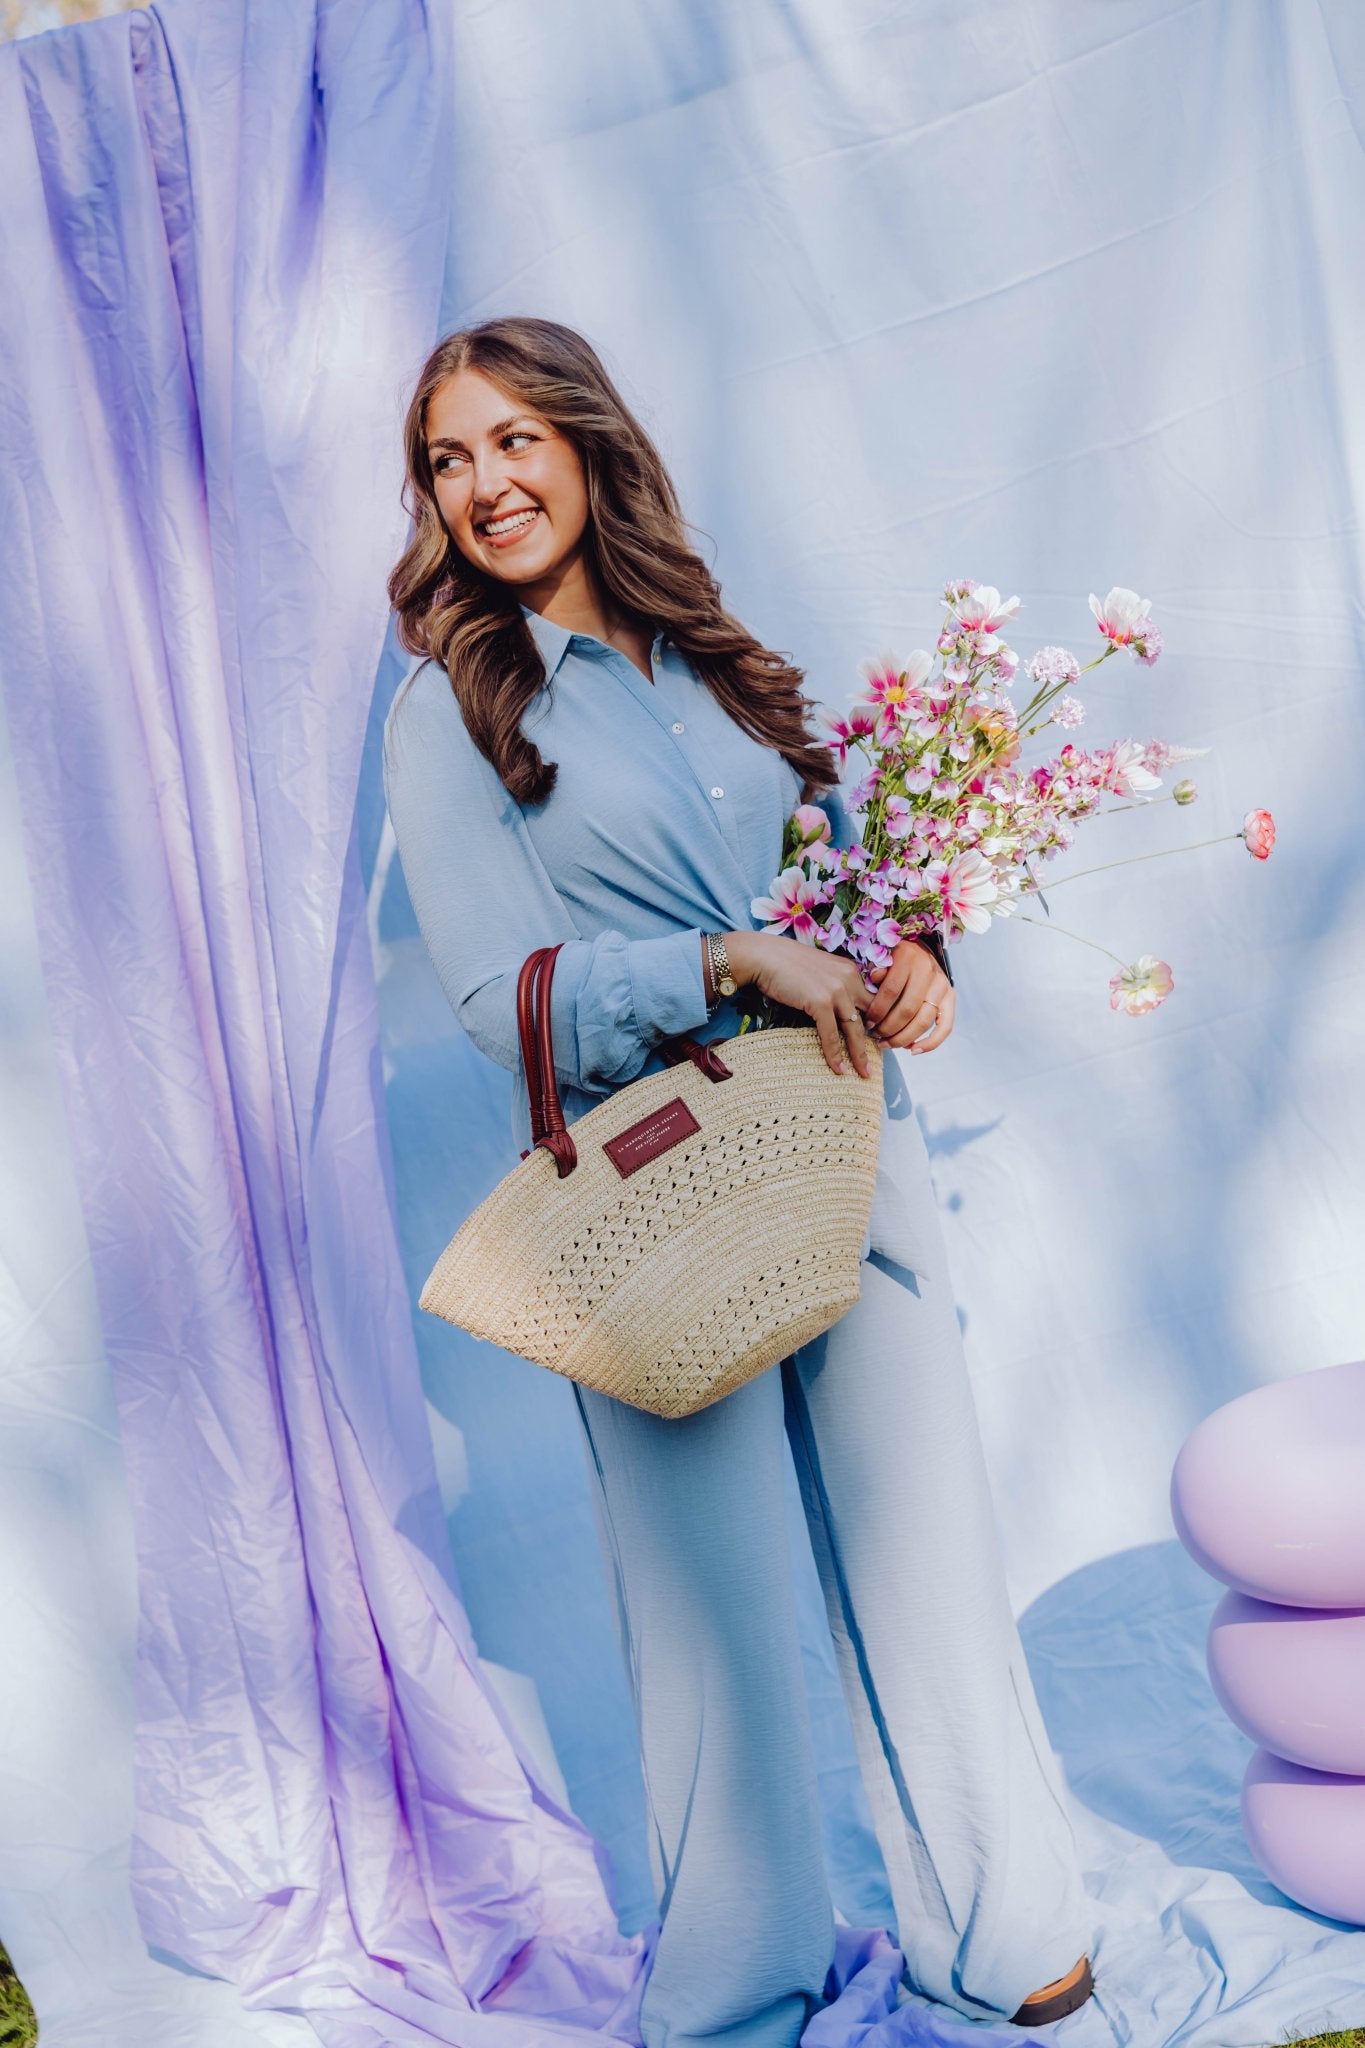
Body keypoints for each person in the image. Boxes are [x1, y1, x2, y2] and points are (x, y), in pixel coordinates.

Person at [382, 316, 1095, 2048]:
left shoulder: (719, 661)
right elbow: (492, 993)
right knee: (709, 1629)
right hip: (656, 1193)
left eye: (512, 440)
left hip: (850, 1142)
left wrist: (911, 956)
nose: (484, 485)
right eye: (448, 461)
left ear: (587, 441)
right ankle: (736, 1992)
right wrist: (724, 962)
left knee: (925, 1556)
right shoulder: (454, 711)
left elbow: (837, 884)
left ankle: (1006, 1933)